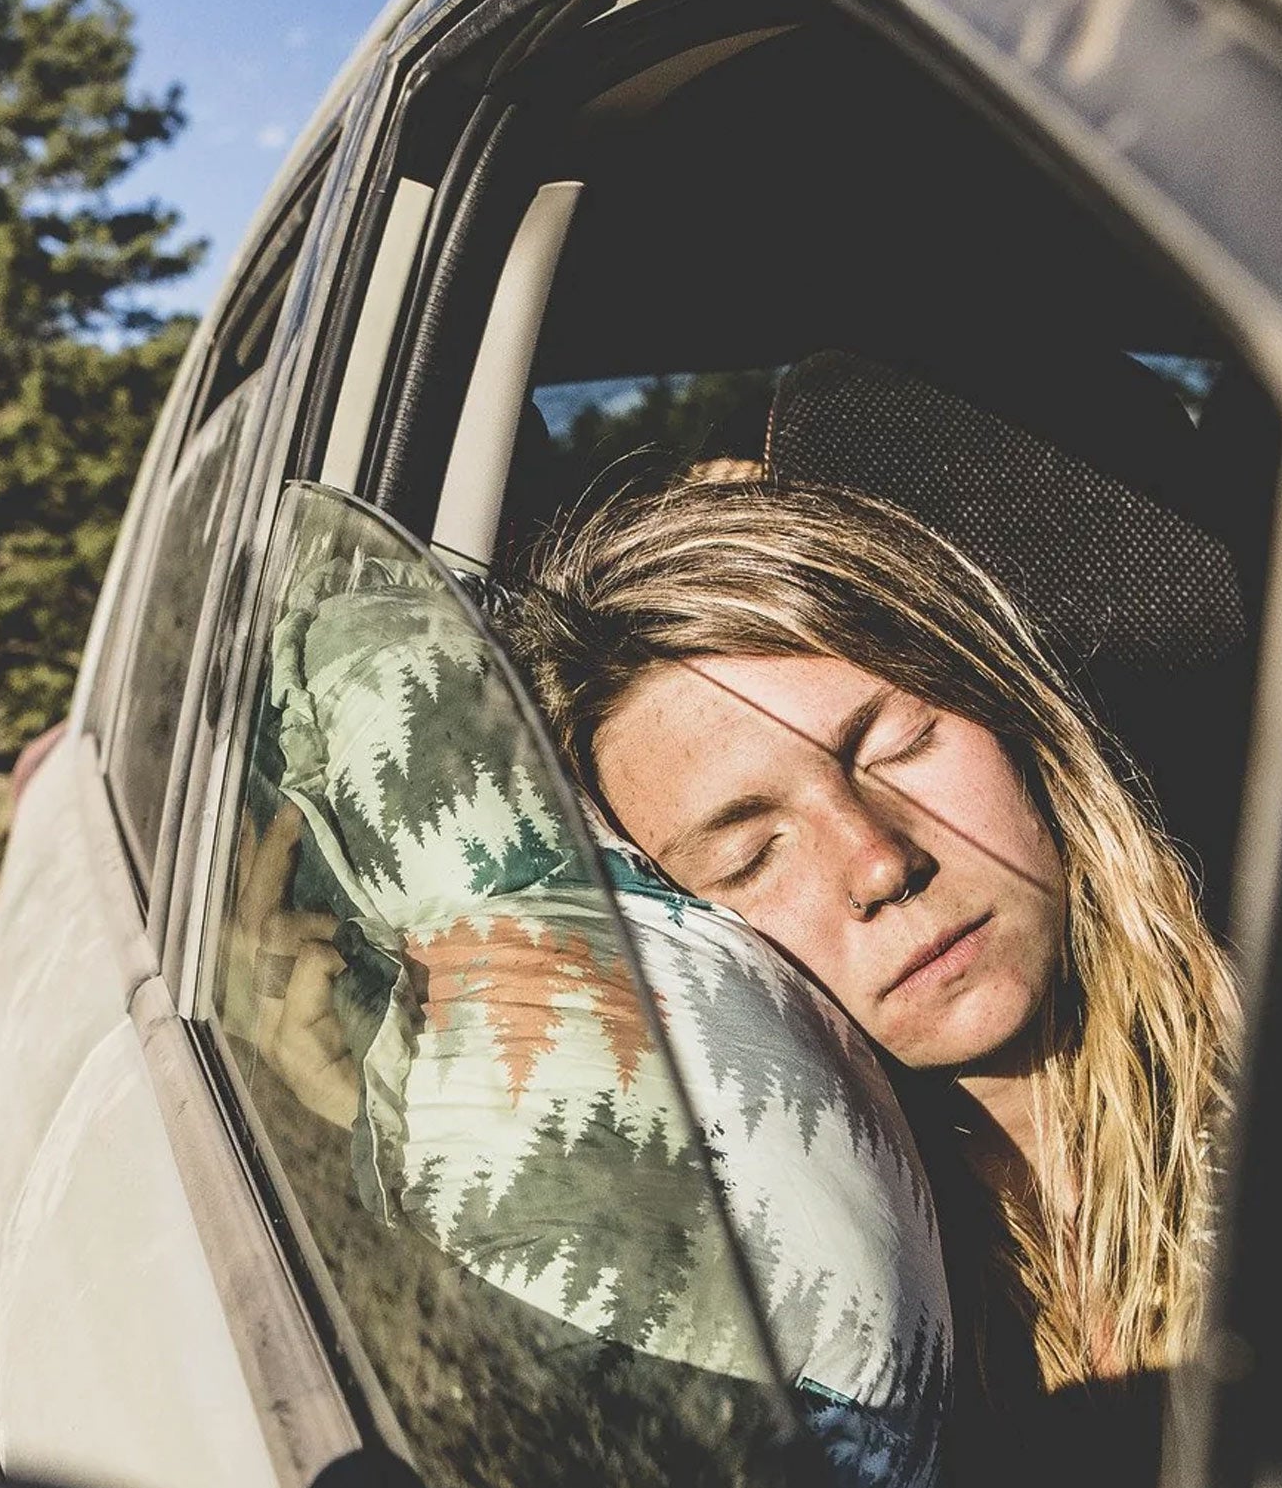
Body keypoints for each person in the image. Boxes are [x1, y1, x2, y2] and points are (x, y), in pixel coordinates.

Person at [499, 476, 1240, 1392]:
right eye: (752, 854)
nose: (881, 862)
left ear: (1014, 716)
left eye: (896, 745)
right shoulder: (751, 1303)